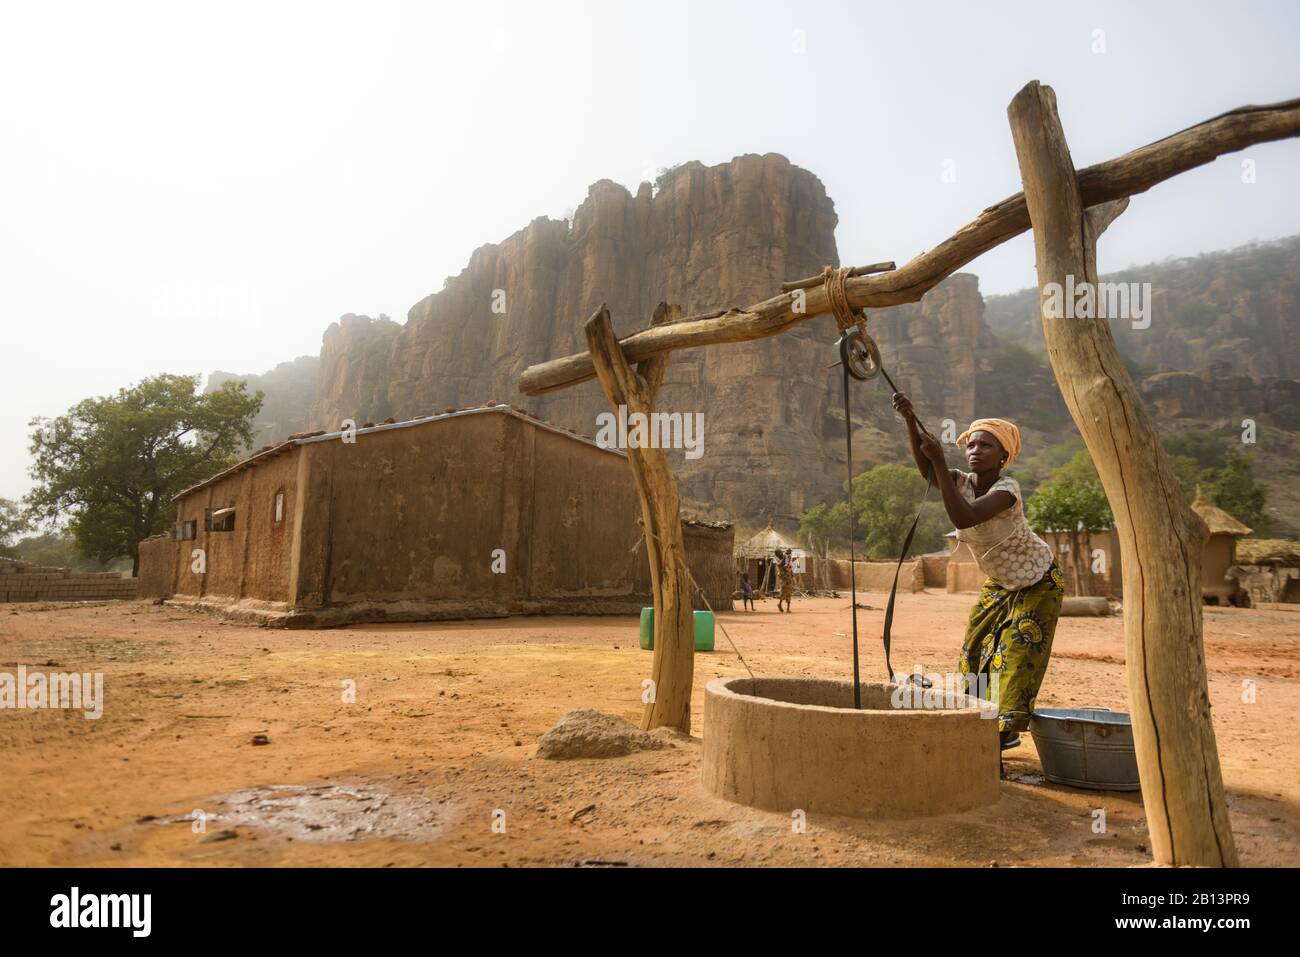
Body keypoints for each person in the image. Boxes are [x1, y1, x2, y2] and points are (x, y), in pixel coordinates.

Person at [892, 392, 1064, 751]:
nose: (975, 451)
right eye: (970, 445)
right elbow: (926, 471)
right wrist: (910, 420)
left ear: (1004, 456)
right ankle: (980, 718)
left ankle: (1004, 731)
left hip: (1038, 580)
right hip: (1002, 583)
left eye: (986, 446)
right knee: (974, 649)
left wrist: (940, 460)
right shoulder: (963, 483)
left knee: (1017, 653)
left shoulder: (1007, 489)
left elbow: (963, 517)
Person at [775, 548, 796, 613]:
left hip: (788, 578)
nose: (781, 553)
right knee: (783, 592)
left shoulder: (786, 558)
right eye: (779, 553)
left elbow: (788, 566)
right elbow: (781, 566)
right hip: (784, 579)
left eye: (781, 552)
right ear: (777, 555)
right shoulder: (780, 561)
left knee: (789, 593)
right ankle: (780, 604)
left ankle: (787, 609)